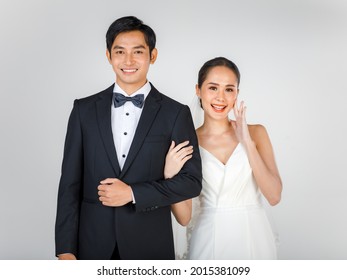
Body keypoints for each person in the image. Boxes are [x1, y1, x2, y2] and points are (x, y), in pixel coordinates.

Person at [55, 16, 202, 260]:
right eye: (120, 51)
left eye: (138, 52)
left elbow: (191, 182)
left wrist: (133, 193)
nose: (128, 61)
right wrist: (65, 250)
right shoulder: (83, 110)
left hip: (150, 246)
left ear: (152, 56)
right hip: (92, 245)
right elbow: (69, 185)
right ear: (108, 55)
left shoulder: (175, 113)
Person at [166, 57, 282, 259]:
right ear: (198, 90)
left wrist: (247, 142)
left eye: (229, 89)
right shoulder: (187, 142)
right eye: (213, 88)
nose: (221, 97)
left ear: (237, 93)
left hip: (254, 237)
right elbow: (184, 218)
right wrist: (169, 176)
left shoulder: (257, 133)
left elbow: (274, 196)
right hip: (208, 238)